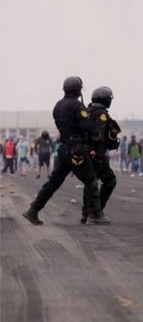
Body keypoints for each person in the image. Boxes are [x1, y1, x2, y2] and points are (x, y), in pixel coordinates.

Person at [23, 76, 108, 225]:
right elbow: (87, 126)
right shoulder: (78, 106)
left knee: (53, 183)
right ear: (78, 90)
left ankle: (33, 210)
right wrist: (97, 132)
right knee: (91, 181)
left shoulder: (58, 106)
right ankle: (96, 215)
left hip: (63, 150)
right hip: (77, 149)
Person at [84, 86, 120, 224]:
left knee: (91, 183)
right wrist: (96, 151)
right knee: (110, 181)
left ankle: (87, 214)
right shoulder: (101, 114)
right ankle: (95, 214)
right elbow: (98, 134)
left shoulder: (86, 111)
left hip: (84, 152)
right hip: (96, 154)